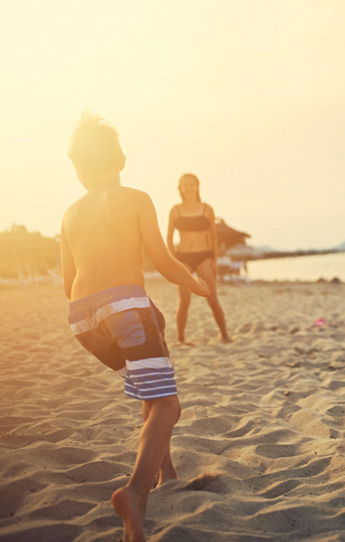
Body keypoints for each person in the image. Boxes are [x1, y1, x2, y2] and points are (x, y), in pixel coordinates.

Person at [61, 113, 210, 541]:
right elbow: (163, 262)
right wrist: (196, 284)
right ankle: (135, 493)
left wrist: (112, 307)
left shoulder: (69, 214)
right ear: (121, 158)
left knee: (151, 374)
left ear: (80, 168)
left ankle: (166, 470)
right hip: (124, 307)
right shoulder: (137, 198)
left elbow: (67, 281)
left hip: (83, 320)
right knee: (168, 405)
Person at [166, 173, 231, 343]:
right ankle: (180, 339)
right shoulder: (175, 211)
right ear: (180, 189)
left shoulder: (207, 209)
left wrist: (214, 261)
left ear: (197, 186)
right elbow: (169, 238)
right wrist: (172, 261)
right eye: (185, 185)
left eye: (191, 184)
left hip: (204, 256)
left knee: (212, 297)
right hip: (183, 258)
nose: (188, 188)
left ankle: (225, 335)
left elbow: (213, 237)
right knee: (184, 300)